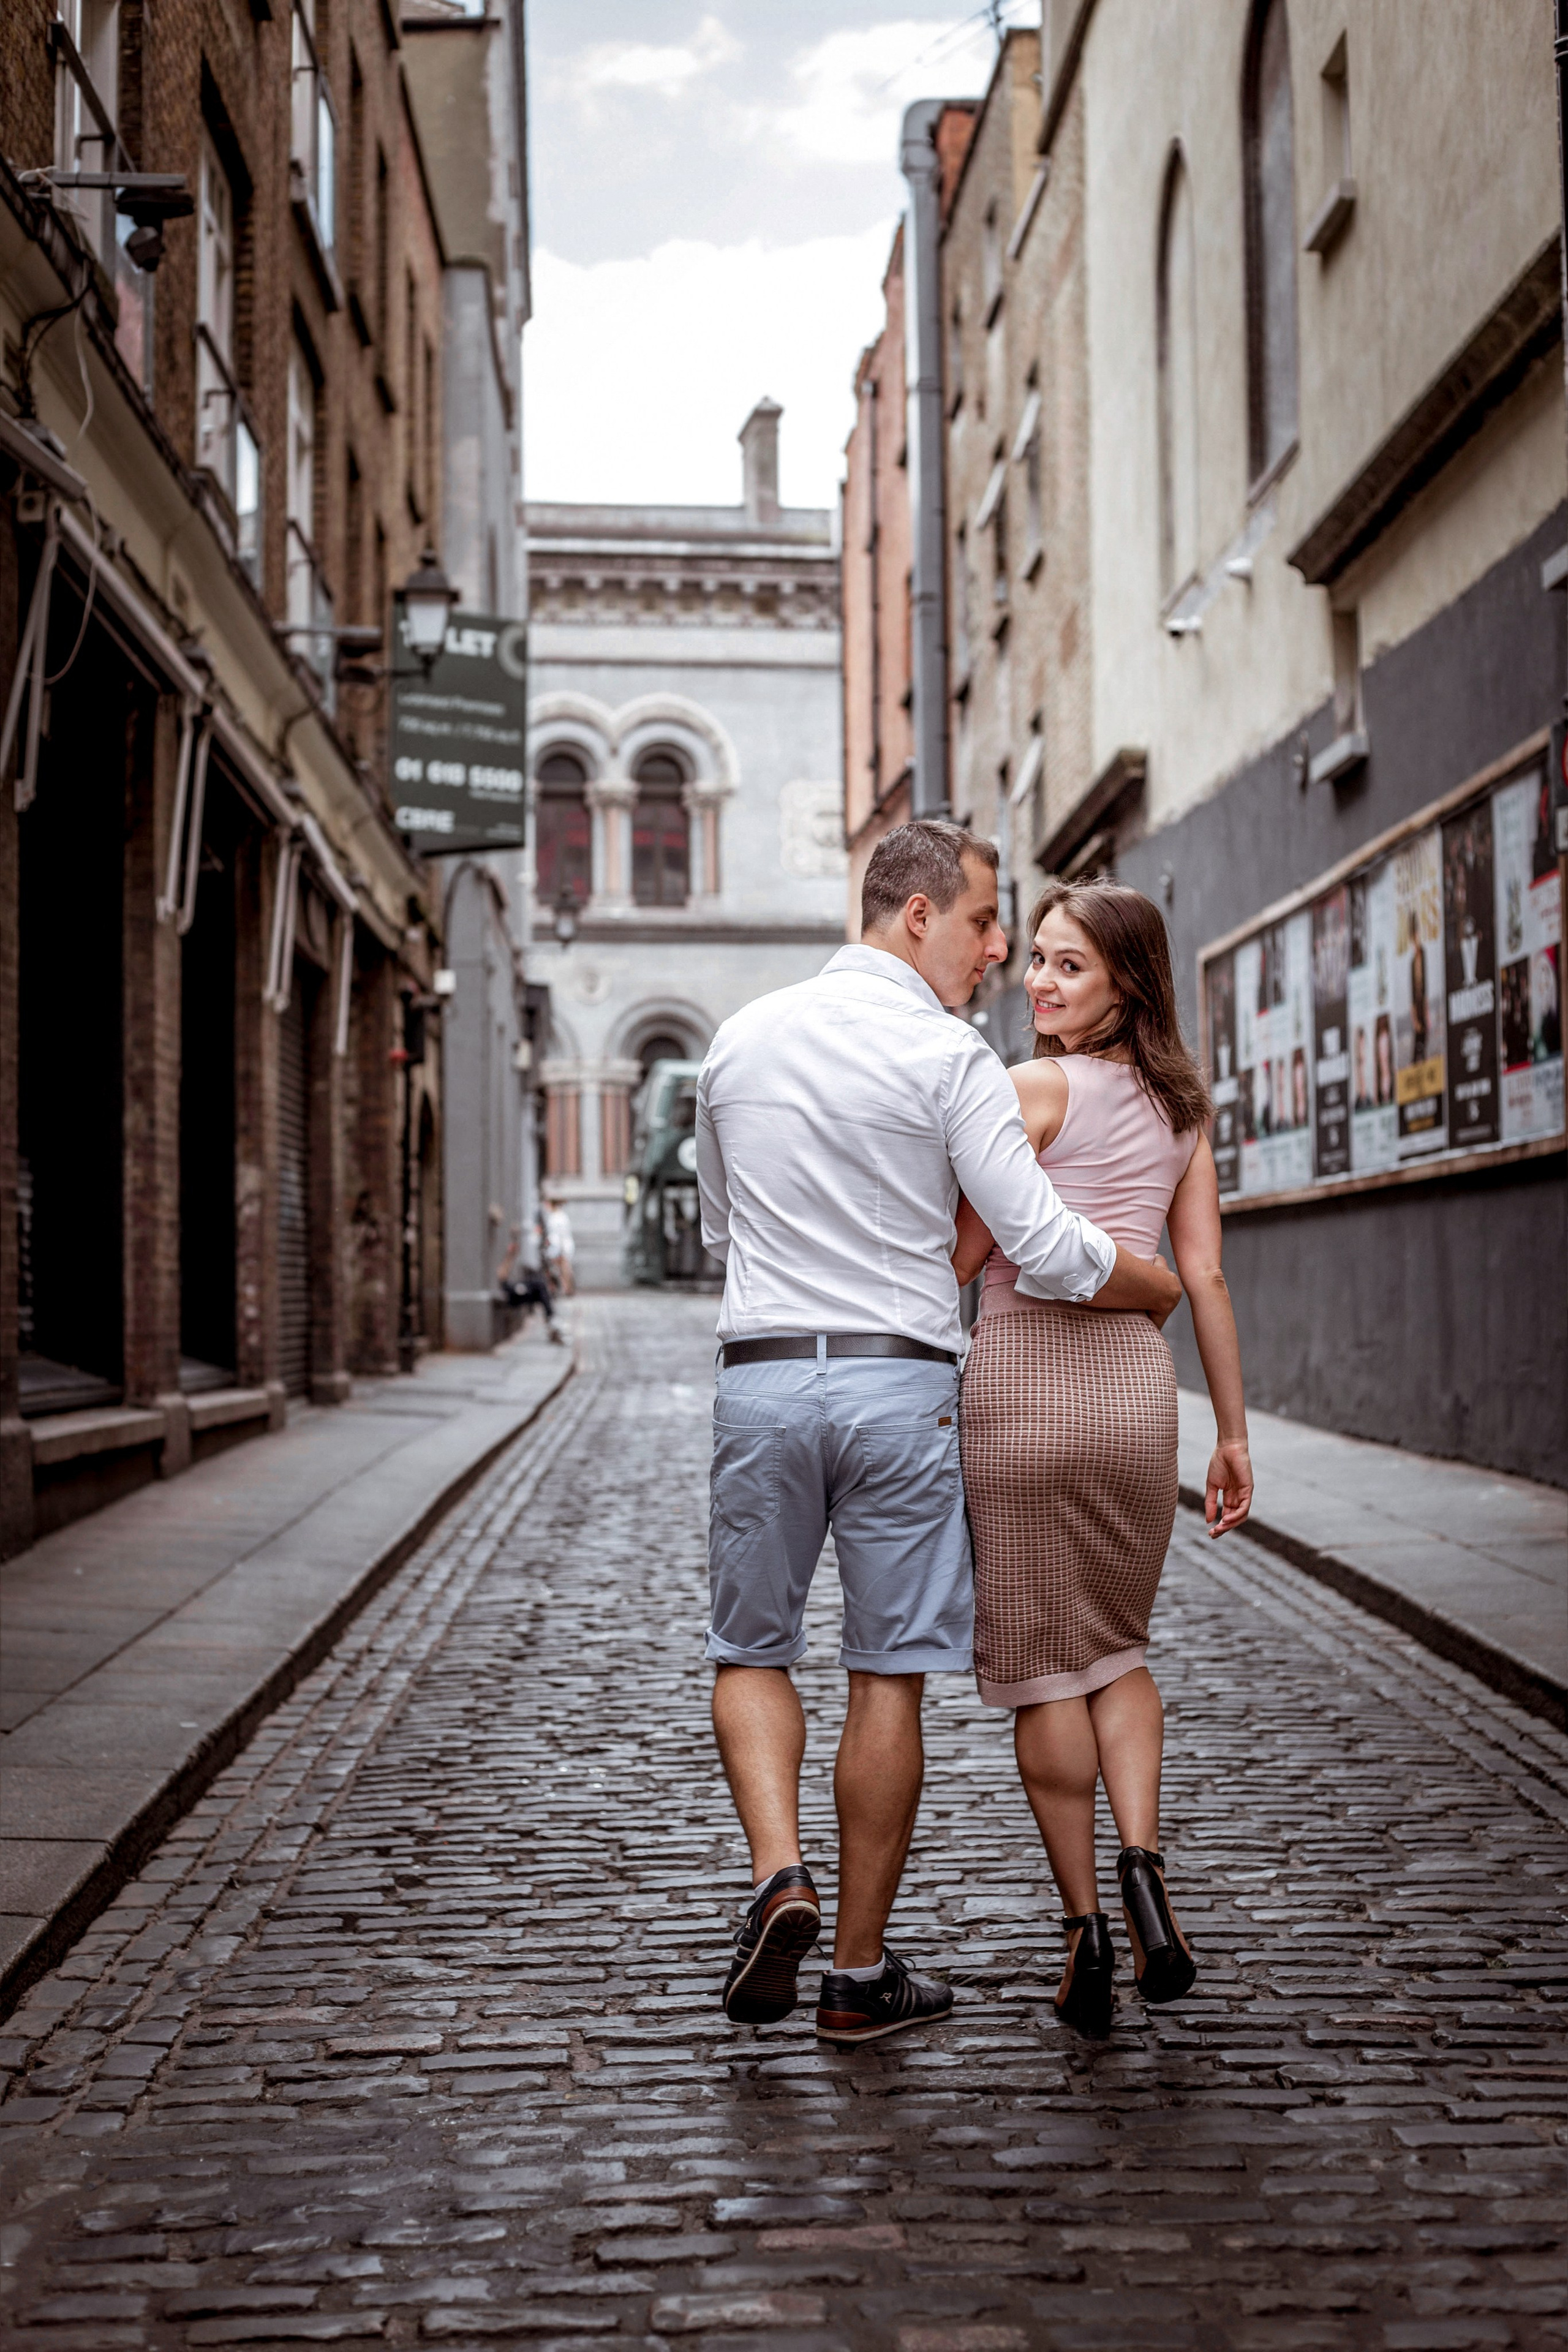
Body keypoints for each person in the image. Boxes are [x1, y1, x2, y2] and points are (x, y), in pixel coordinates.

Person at [696, 822, 1181, 2045]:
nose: (998, 948)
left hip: (763, 1378)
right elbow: (1040, 1242)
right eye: (982, 921)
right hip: (898, 1386)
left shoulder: (739, 1038)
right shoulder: (950, 1054)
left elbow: (719, 1227)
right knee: (886, 1674)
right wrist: (1150, 1281)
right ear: (917, 916)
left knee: (750, 1651)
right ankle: (857, 1977)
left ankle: (778, 1874)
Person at [953, 879, 1253, 2039]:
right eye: (1034, 957)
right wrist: (1232, 1433)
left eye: (1067, 965)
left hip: (1022, 1389)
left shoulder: (1031, 1088)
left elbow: (965, 1253)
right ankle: (1144, 1867)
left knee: (1046, 1669)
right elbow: (1204, 1276)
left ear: (1127, 982)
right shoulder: (1183, 1111)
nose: (1037, 980)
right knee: (1119, 1651)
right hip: (1136, 1396)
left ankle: (1085, 1928)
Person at [497, 1219, 567, 1346]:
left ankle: (553, 1323)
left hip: (517, 1288)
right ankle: (553, 1322)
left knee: (541, 1290)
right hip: (511, 1291)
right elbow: (502, 1276)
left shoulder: (518, 1252)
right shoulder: (506, 1255)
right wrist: (510, 1255)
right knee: (540, 1286)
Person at [543, 1194, 576, 1297]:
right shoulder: (556, 1216)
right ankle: (564, 1288)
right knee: (560, 1269)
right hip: (557, 1246)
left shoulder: (559, 1217)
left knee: (563, 1268)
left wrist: (561, 1249)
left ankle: (567, 1288)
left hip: (560, 1247)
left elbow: (561, 1234)